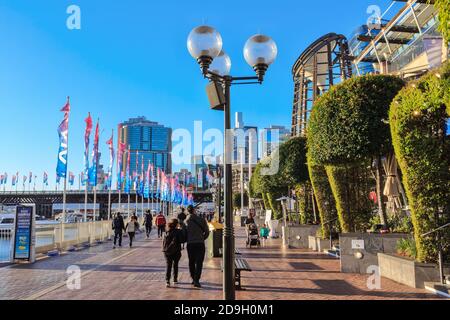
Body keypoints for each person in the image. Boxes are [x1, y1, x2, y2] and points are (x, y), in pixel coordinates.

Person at [185, 205, 209, 288]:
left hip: (190, 244)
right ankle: (196, 279)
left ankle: (193, 278)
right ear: (194, 211)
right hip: (200, 243)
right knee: (199, 262)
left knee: (191, 261)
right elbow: (207, 232)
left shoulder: (186, 221)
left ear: (188, 211)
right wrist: (202, 238)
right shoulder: (202, 220)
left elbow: (184, 234)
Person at [162, 218, 186, 288]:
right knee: (175, 265)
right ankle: (175, 279)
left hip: (167, 251)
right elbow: (182, 240)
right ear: (177, 224)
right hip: (176, 251)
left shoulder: (166, 231)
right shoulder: (178, 231)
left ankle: (167, 281)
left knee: (168, 265)